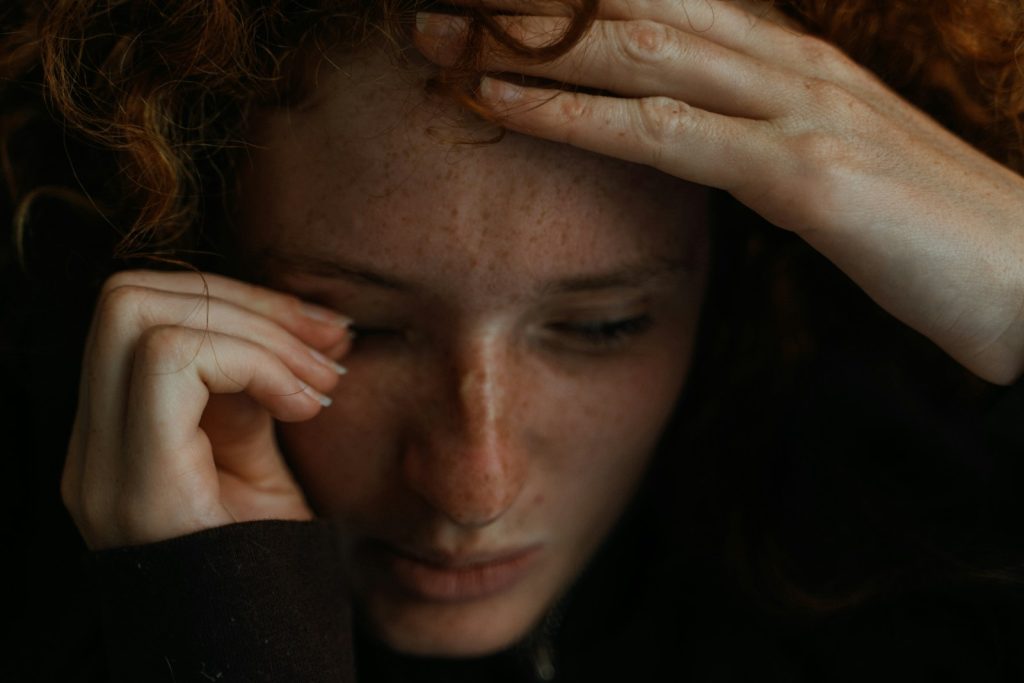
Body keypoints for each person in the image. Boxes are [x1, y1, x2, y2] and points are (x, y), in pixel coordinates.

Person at [3, 0, 1023, 681]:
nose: (470, 485)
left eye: (602, 325)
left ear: (739, 278)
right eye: (361, 326)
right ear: (186, 243)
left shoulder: (933, 553)